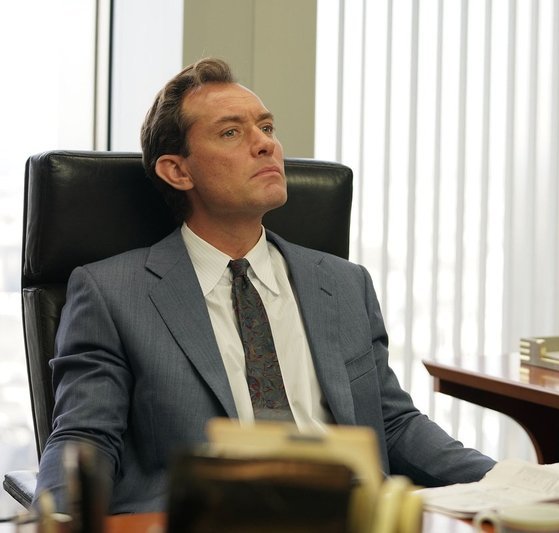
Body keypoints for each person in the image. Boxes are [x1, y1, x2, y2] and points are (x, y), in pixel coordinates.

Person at [33, 57, 496, 514]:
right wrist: (55, 520)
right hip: (207, 520)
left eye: (267, 127)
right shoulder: (113, 292)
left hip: (350, 514)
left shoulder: (344, 283)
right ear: (178, 171)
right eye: (231, 132)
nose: (265, 145)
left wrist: (506, 483)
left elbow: (393, 424)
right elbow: (85, 438)